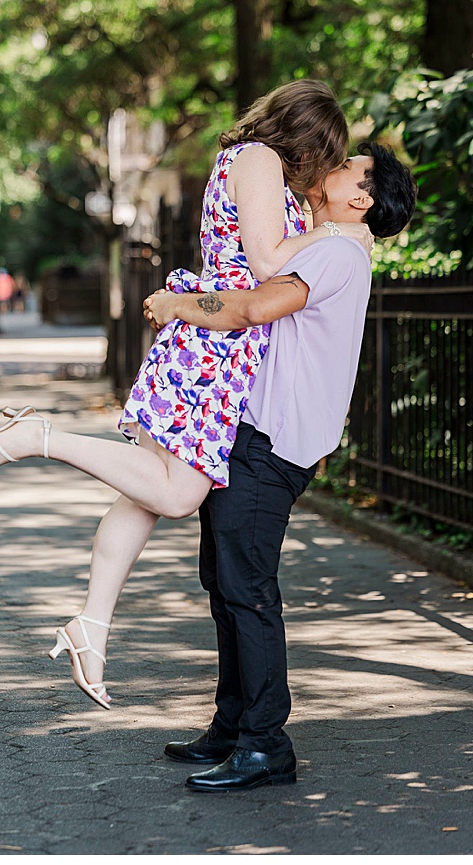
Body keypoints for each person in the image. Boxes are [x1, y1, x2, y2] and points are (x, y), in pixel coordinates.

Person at [0, 78, 369, 710]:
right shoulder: (260, 160)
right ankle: (40, 436)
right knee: (178, 492)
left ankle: (91, 628)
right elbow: (265, 264)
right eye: (329, 154)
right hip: (217, 347)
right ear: (308, 139)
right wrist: (337, 235)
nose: (325, 170)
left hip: (219, 349)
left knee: (143, 497)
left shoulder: (253, 163)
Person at [142, 141, 415, 793]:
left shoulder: (337, 251)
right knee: (224, 577)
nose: (336, 161)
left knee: (248, 587)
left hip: (272, 443)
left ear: (361, 198)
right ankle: (233, 722)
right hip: (252, 434)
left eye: (350, 165)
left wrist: (177, 304)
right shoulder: (321, 241)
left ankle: (267, 743)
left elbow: (254, 307)